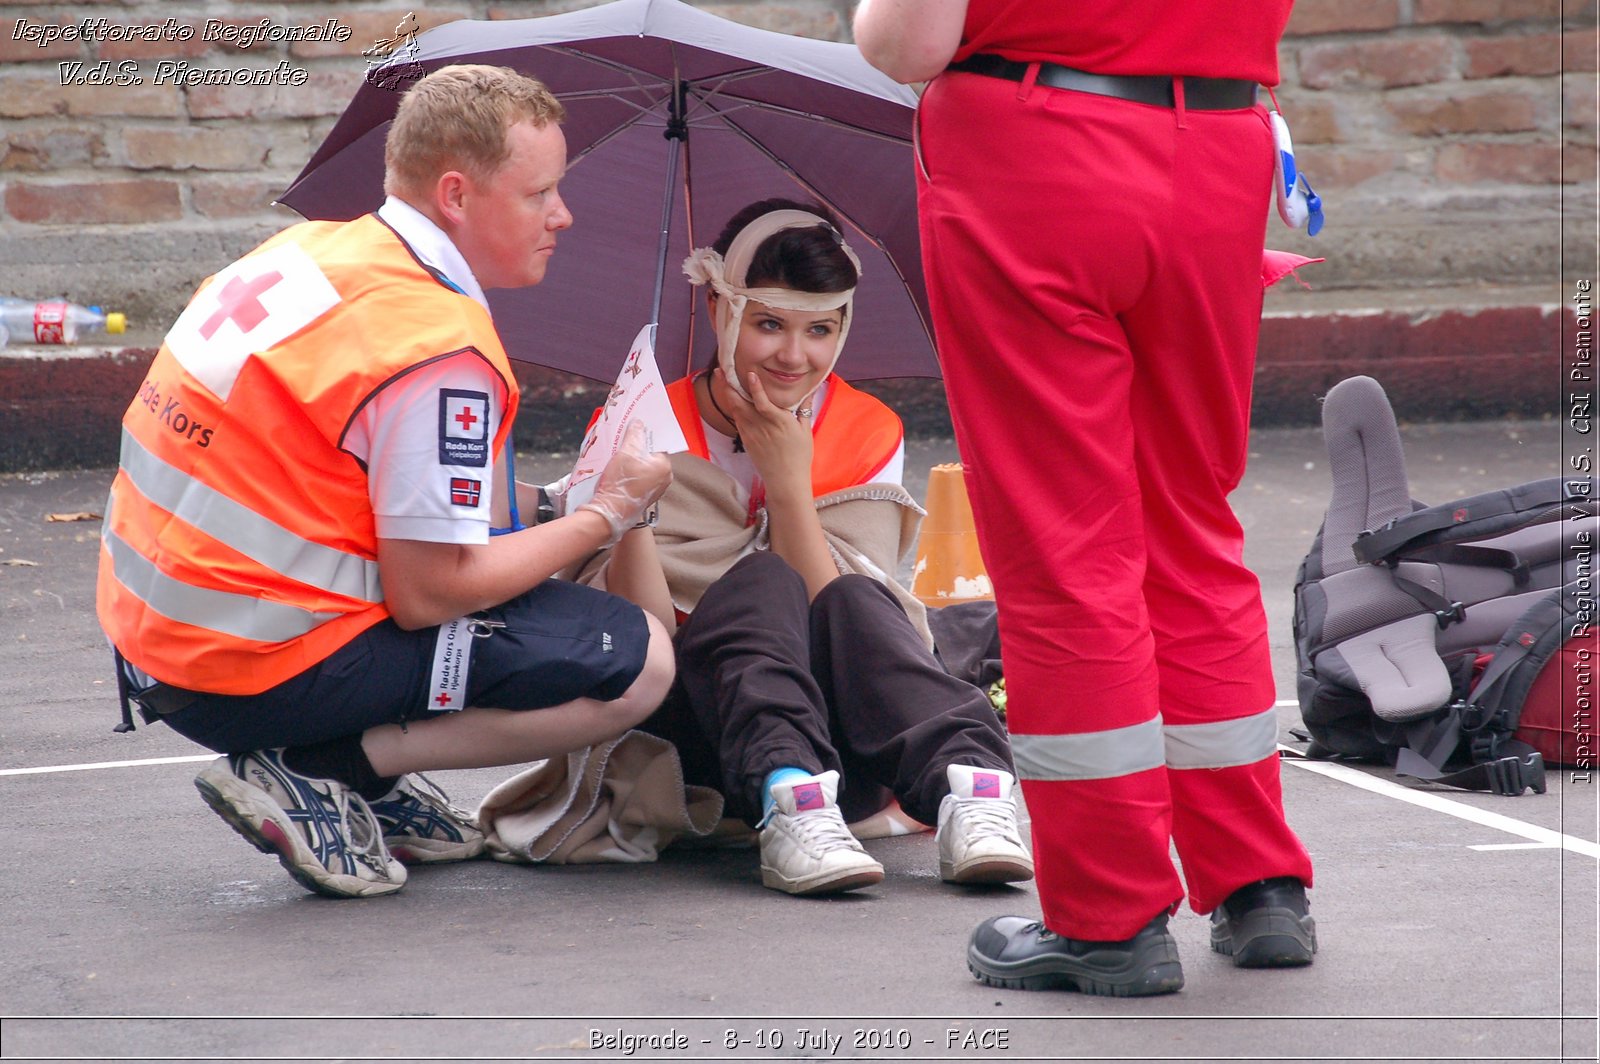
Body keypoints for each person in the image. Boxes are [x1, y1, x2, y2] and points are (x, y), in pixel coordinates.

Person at [95, 65, 676, 900]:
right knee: (637, 659)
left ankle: (350, 774)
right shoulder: (435, 348)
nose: (563, 215)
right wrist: (608, 518)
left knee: (522, 557)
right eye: (540, 192)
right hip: (251, 671)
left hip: (162, 647)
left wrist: (550, 506)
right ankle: (321, 766)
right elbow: (432, 592)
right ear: (456, 194)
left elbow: (354, 486)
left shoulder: (315, 253)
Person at [854, 2, 1317, 994]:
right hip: (1218, 144)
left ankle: (1108, 915)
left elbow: (909, 42)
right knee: (1190, 523)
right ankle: (1259, 883)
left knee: (1065, 545)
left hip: (1034, 150)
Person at [572, 198, 1033, 896]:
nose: (795, 355)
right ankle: (791, 799)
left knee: (854, 595)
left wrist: (788, 486)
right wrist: (628, 510)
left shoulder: (864, 428)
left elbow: (851, 622)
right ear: (720, 310)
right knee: (761, 585)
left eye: (821, 329)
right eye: (767, 324)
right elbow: (646, 645)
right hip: (700, 749)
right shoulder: (640, 425)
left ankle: (972, 789)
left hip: (855, 749)